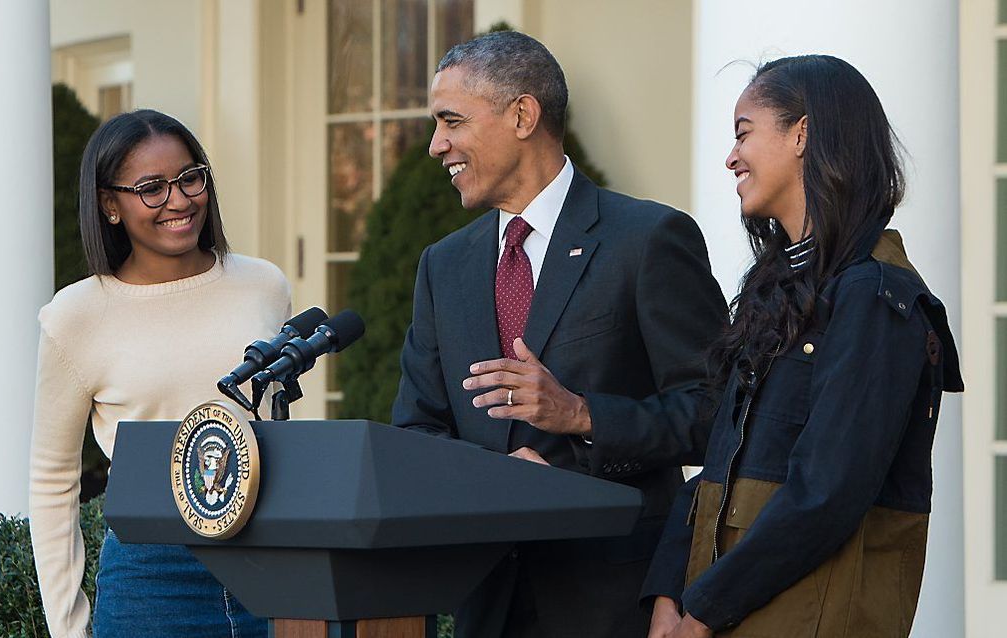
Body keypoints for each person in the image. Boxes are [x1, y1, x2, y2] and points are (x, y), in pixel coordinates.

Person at [391, 31, 728, 638]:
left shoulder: (649, 240)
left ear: (522, 114)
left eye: (451, 121)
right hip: (486, 600)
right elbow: (417, 429)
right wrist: (495, 485)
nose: (437, 145)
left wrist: (581, 415)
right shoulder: (443, 266)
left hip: (613, 598)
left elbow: (715, 416)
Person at [641, 55, 964, 638]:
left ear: (803, 134)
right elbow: (721, 463)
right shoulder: (780, 292)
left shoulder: (874, 298)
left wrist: (705, 609)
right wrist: (670, 589)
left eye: (744, 133)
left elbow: (827, 491)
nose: (731, 156)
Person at [29, 109, 291, 638]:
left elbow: (281, 432)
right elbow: (52, 479)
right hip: (151, 578)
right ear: (109, 205)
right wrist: (67, 626)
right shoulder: (75, 315)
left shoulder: (263, 285)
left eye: (189, 178)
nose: (178, 200)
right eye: (150, 188)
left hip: (271, 563)